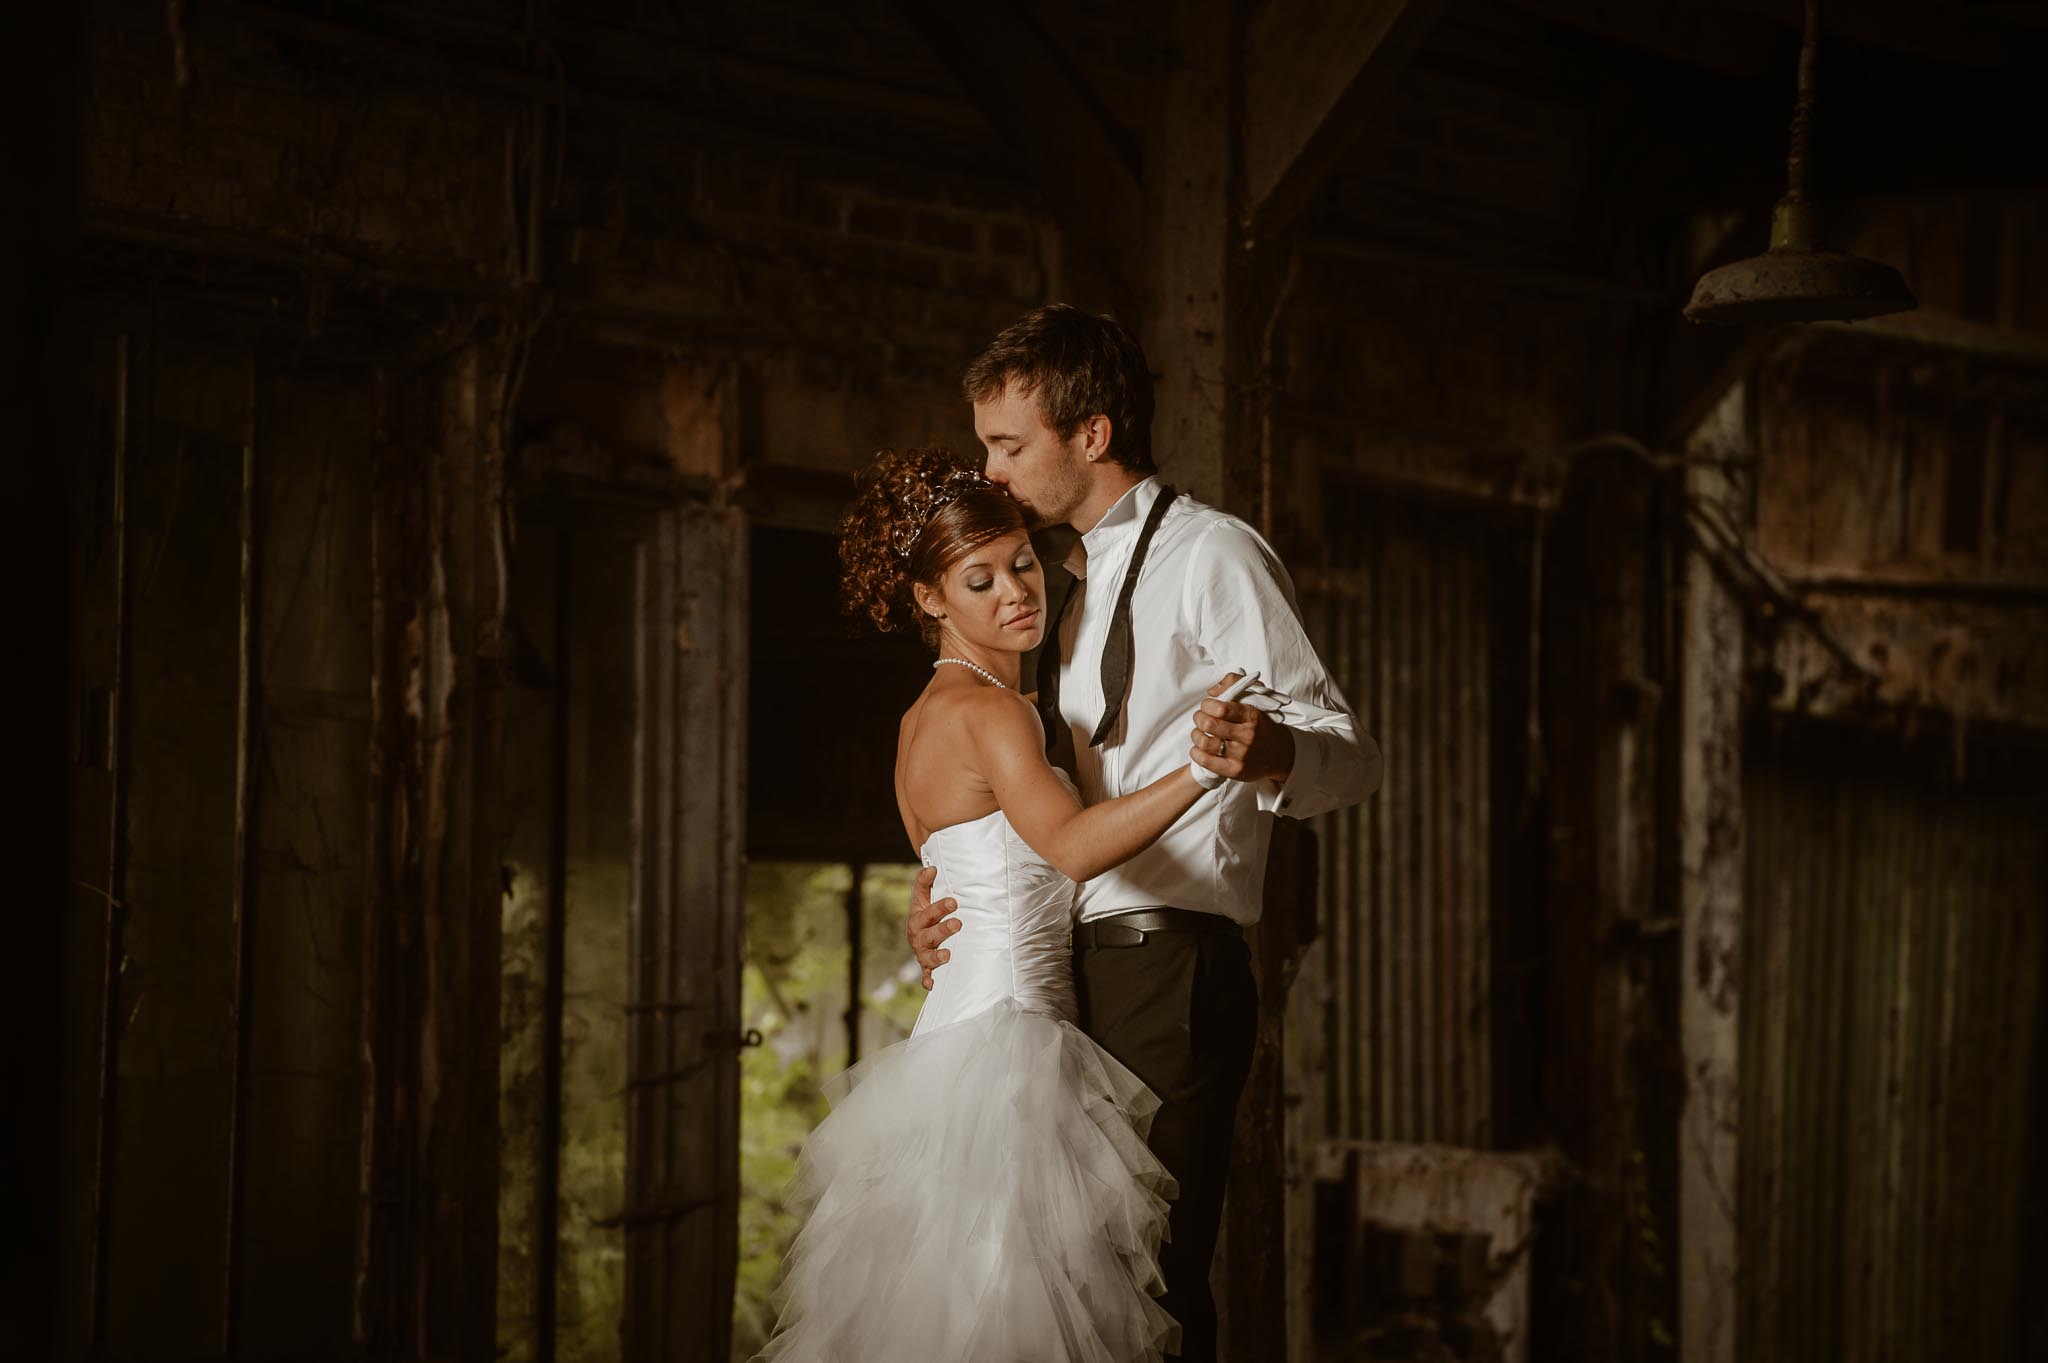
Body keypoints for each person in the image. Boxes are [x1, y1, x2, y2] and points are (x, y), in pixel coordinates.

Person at [908, 304, 1383, 1362]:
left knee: (1145, 1291)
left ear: (1092, 435)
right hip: (1060, 968)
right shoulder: (1044, 584)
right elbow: (1012, 782)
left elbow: (1349, 752)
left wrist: (1267, 751)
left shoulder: (1212, 554)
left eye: (1008, 445)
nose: (989, 466)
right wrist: (953, 879)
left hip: (1165, 958)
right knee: (1070, 1294)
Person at [751, 446, 1236, 1363]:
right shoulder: (996, 714)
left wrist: (923, 916)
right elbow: (1070, 846)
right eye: (981, 579)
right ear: (932, 600)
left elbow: (950, 873)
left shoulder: (917, 721)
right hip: (1014, 1050)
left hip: (951, 1043)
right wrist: (1203, 768)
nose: (1018, 591)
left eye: (1022, 562)